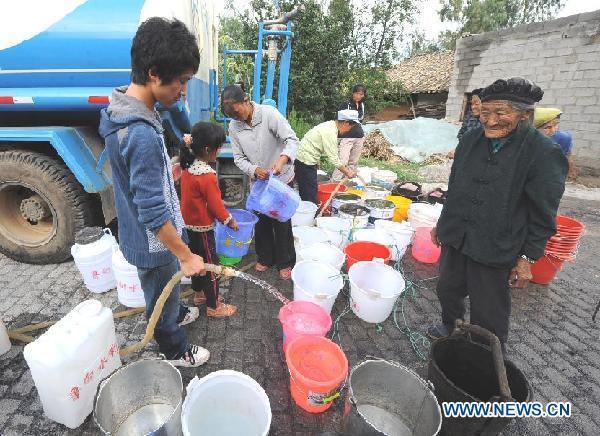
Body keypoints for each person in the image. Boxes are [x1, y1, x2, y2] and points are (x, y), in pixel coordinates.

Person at [99, 18, 209, 367]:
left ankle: (171, 314)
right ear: (153, 73)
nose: (183, 91)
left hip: (144, 237)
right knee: (161, 292)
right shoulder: (141, 133)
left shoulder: (128, 110)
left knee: (167, 287)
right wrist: (186, 255)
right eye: (181, 81)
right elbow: (153, 214)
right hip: (154, 242)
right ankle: (173, 348)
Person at [428, 78, 568, 352]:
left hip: (496, 243)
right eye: (485, 113)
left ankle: (485, 354)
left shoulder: (543, 152)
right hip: (457, 234)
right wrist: (442, 222)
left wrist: (527, 258)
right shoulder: (470, 140)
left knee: (488, 308)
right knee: (447, 288)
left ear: (525, 115)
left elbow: (543, 213)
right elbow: (456, 186)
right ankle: (451, 326)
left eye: (501, 113)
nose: (490, 121)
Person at [222, 85, 299, 280]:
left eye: (237, 112)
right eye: (232, 116)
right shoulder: (234, 126)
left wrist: (282, 161)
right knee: (262, 221)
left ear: (246, 101)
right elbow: (239, 158)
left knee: (281, 220)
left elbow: (291, 140)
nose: (237, 118)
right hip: (259, 182)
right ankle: (265, 257)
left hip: (280, 179)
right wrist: (254, 170)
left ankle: (285, 261)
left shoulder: (269, 115)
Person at [180, 122, 239, 317]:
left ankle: (199, 295)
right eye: (218, 147)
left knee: (195, 261)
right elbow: (216, 206)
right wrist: (229, 220)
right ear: (207, 149)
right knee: (210, 267)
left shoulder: (187, 167)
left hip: (188, 227)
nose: (220, 150)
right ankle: (214, 306)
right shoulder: (206, 175)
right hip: (203, 229)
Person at [294, 110, 360, 204]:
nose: (349, 130)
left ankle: (307, 212)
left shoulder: (330, 125)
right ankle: (310, 215)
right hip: (305, 162)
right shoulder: (330, 132)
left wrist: (317, 161)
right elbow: (334, 159)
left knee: (307, 191)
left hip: (304, 159)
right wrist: (348, 172)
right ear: (346, 123)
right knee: (310, 197)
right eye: (350, 127)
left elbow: (315, 144)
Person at [332, 84, 367, 181]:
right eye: (357, 93)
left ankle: (347, 182)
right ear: (353, 93)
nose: (358, 96)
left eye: (361, 94)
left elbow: (361, 119)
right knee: (343, 161)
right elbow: (338, 119)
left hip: (359, 136)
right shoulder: (346, 104)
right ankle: (335, 182)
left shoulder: (362, 105)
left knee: (353, 162)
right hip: (347, 136)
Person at [534, 107, 577, 180]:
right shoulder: (527, 139)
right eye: (547, 127)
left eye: (556, 125)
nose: (553, 130)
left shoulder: (563, 138)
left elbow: (567, 155)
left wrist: (571, 171)